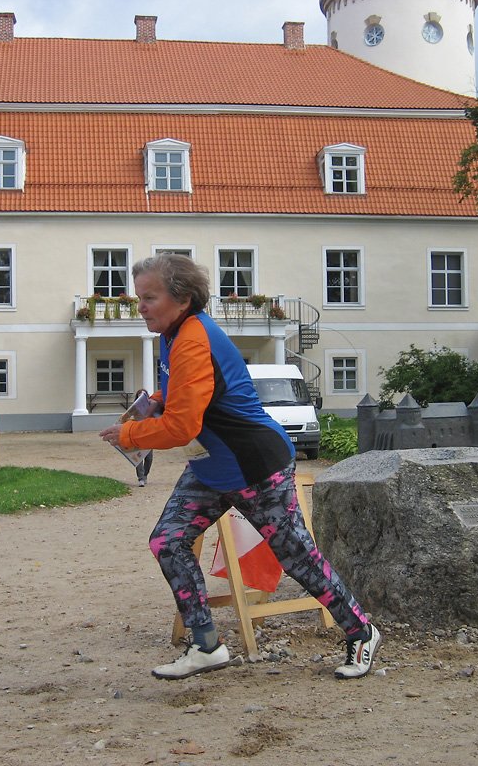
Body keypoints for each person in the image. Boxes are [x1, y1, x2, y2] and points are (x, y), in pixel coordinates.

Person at [99, 254, 379, 681]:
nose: (141, 306)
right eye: (139, 298)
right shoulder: (172, 334)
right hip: (213, 466)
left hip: (255, 465)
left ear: (183, 298)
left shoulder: (192, 337)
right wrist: (158, 397)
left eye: (149, 297)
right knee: (168, 542)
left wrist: (130, 436)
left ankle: (362, 631)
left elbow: (182, 426)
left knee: (296, 556)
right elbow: (193, 389)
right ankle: (206, 644)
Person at [132, 389, 154, 487]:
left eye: (143, 395)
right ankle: (140, 478)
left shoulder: (152, 407)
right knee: (138, 457)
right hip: (138, 435)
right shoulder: (134, 408)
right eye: (139, 395)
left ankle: (145, 475)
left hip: (148, 435)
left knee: (149, 458)